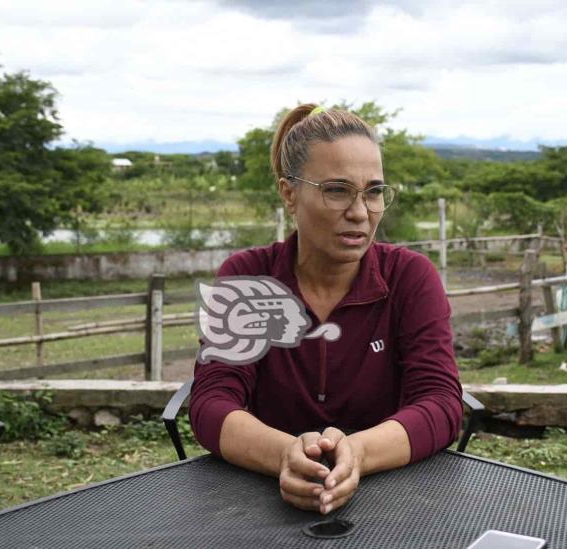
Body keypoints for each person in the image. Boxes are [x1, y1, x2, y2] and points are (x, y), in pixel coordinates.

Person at [190, 103, 463, 515]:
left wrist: (358, 453)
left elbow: (441, 402)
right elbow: (212, 401)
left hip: (394, 500)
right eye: (336, 190)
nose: (359, 213)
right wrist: (284, 454)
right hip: (260, 502)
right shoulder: (248, 277)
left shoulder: (410, 277)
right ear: (289, 193)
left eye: (373, 192)